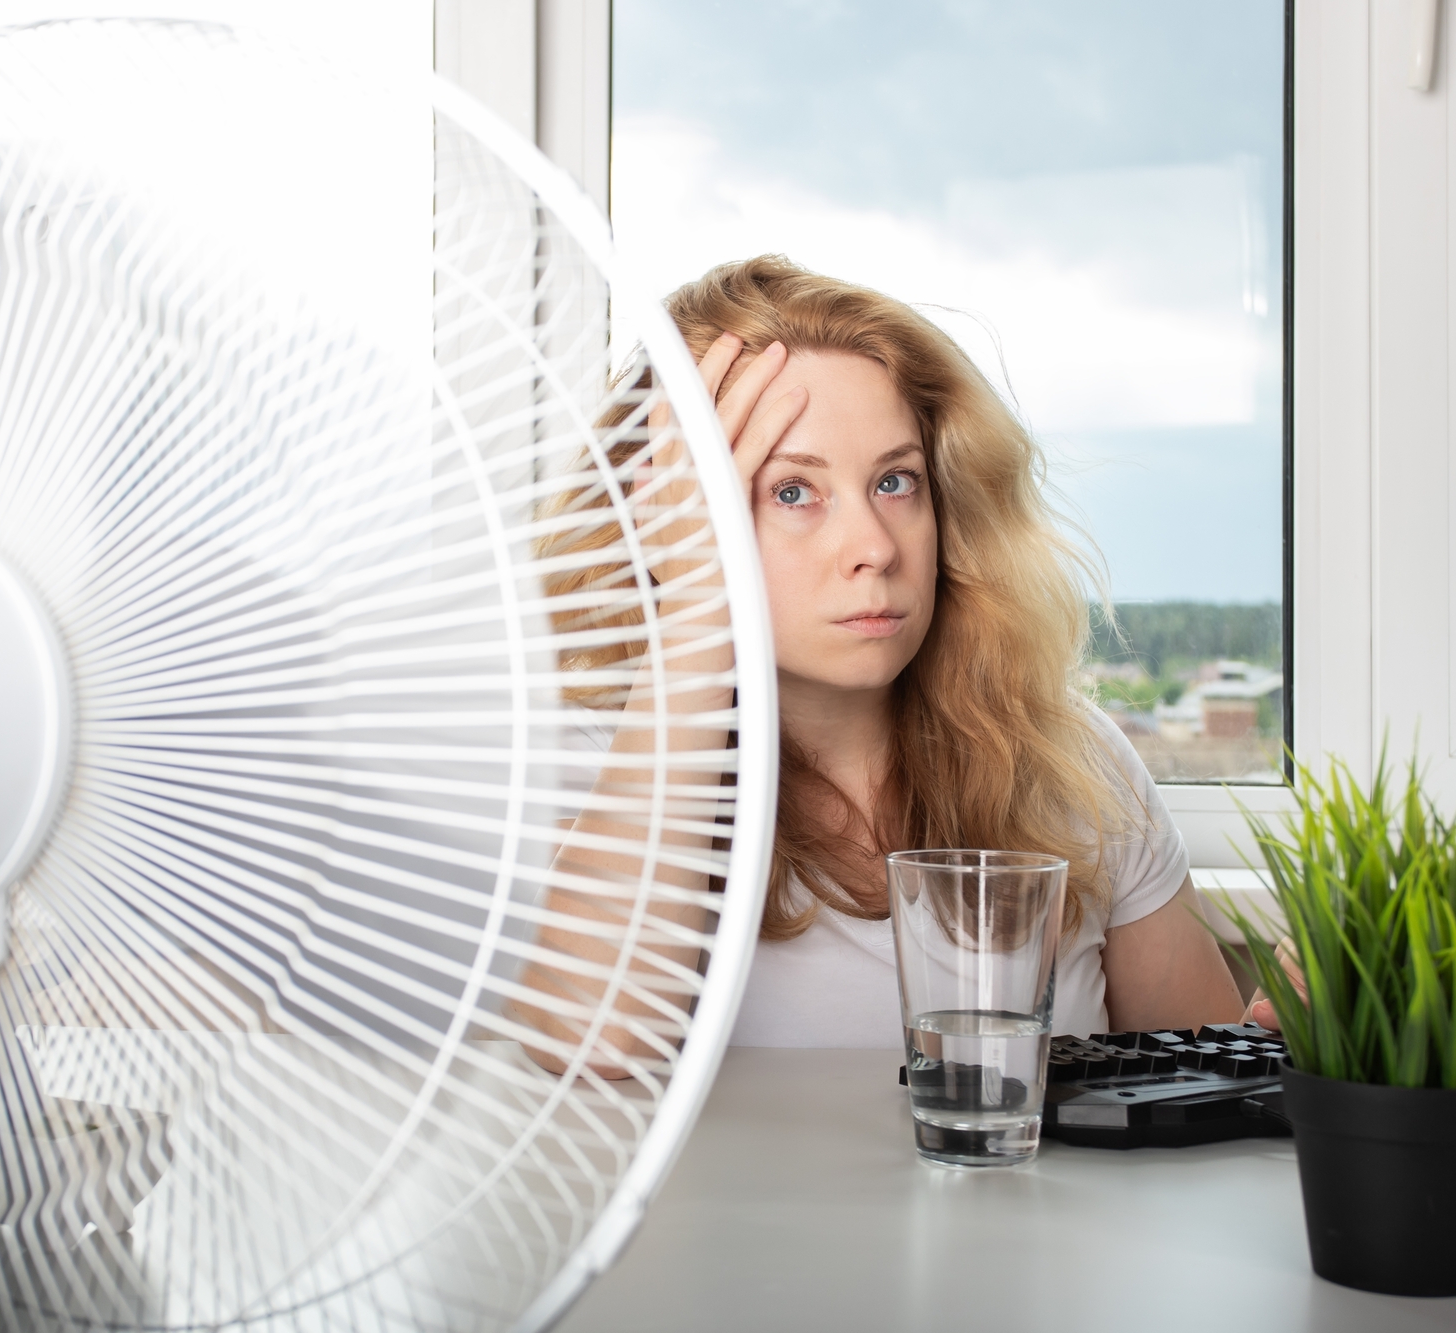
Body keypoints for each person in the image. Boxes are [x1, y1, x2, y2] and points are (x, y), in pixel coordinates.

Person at [515, 256, 1247, 1073]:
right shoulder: (596, 763)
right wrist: (693, 625)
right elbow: (581, 1053)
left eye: (896, 481)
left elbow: (1216, 1075)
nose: (874, 547)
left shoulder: (1074, 764)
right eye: (792, 491)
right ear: (663, 518)